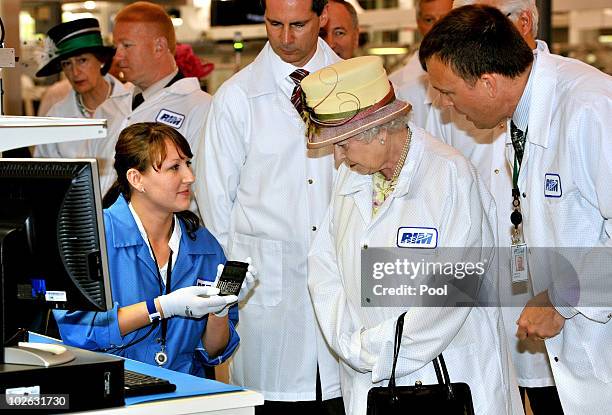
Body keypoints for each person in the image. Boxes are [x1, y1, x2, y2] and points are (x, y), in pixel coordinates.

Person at [419, 5, 612, 413]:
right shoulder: (522, 115)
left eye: (449, 92)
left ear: (488, 82)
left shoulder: (589, 110)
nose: (444, 106)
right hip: (576, 357)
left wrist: (560, 299)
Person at [303, 55, 518, 415]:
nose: (337, 158)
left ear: (381, 129)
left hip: (447, 376)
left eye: (343, 144)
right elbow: (323, 266)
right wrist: (349, 343)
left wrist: (376, 350)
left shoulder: (449, 176)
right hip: (371, 380)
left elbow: (454, 292)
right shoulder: (352, 175)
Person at [196, 0, 344, 413]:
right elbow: (215, 207)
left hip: (344, 286)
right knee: (275, 401)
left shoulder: (353, 86)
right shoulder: (237, 97)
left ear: (323, 18)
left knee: (344, 397)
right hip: (264, 295)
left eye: (298, 24)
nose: (285, 38)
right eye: (274, 24)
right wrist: (231, 293)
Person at [54, 122, 255, 376]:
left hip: (183, 393)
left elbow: (213, 351)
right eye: (174, 168)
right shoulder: (94, 237)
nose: (189, 177)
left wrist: (220, 309)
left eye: (187, 164)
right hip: (110, 387)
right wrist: (160, 307)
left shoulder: (203, 245)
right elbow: (80, 331)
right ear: (136, 179)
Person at [94, 1, 212, 200]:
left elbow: (201, 190)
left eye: (126, 45)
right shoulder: (109, 107)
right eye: (116, 46)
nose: (118, 56)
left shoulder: (200, 108)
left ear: (159, 46)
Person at [33, 18, 127, 158]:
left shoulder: (129, 106)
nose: (75, 72)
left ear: (100, 60)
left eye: (82, 60)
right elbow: (43, 170)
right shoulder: (57, 116)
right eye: (67, 64)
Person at [389, 0, 452, 90]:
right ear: (418, 23)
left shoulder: (474, 73)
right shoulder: (395, 85)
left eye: (446, 19)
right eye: (429, 20)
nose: (437, 27)